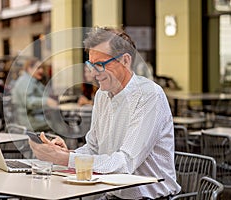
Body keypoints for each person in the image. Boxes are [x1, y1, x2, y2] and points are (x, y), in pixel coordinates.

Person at [28, 27, 181, 199]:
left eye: (100, 65)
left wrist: (65, 160)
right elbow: (93, 148)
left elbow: (125, 162)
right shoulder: (101, 95)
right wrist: (69, 154)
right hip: (110, 195)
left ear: (125, 60)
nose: (93, 73)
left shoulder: (149, 95)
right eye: (91, 65)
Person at [11, 58, 58, 132]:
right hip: (29, 120)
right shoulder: (25, 82)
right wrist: (47, 101)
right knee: (58, 123)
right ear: (29, 68)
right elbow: (28, 102)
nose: (41, 71)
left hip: (32, 117)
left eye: (42, 68)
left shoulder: (31, 80)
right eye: (38, 68)